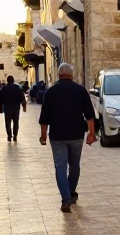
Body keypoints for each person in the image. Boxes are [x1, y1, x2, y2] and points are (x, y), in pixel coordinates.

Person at [38, 63, 96, 213]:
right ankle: (71, 192)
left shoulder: (51, 92)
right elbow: (89, 114)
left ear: (58, 74)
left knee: (60, 167)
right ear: (71, 74)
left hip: (57, 135)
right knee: (75, 165)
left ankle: (66, 198)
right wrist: (91, 132)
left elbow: (44, 117)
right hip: (76, 134)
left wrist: (43, 135)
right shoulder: (80, 90)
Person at [0, 75, 27, 142]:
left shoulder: (4, 88)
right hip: (16, 108)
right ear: (13, 80)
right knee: (16, 122)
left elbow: (1, 99)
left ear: (7, 81)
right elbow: (22, 97)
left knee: (7, 122)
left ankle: (9, 135)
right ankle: (15, 136)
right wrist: (24, 106)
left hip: (7, 108)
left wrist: (1, 107)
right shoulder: (17, 87)